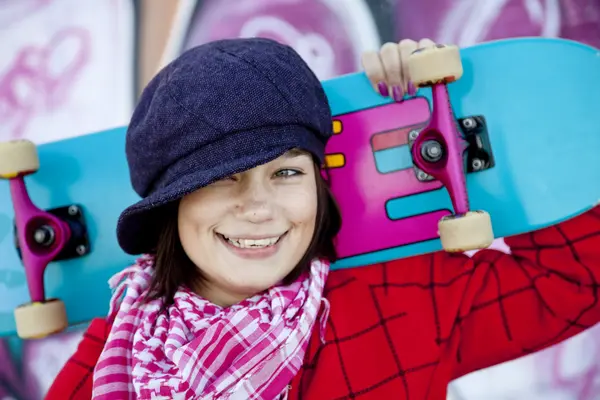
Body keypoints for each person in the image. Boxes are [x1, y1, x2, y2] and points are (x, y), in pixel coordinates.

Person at [45, 37, 600, 400]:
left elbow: (575, 283)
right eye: (220, 179)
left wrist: (483, 110)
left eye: (286, 174)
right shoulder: (122, 347)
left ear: (319, 187)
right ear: (172, 206)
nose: (259, 207)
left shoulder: (404, 294)